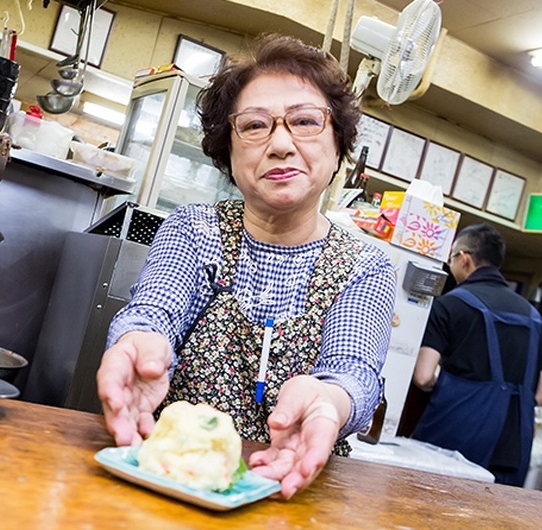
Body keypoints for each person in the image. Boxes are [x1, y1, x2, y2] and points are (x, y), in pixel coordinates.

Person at [96, 34, 397, 499]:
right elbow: (153, 312)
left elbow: (352, 372)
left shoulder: (366, 265)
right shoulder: (194, 229)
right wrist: (138, 343)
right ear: (227, 153)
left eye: (304, 121)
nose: (280, 144)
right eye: (255, 126)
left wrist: (329, 403)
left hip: (297, 493)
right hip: (174, 480)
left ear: (339, 145)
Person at [411, 223, 542, 486]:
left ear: (464, 258)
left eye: (451, 257)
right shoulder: (534, 317)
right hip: (511, 450)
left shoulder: (450, 304)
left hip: (453, 439)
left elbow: (423, 376)